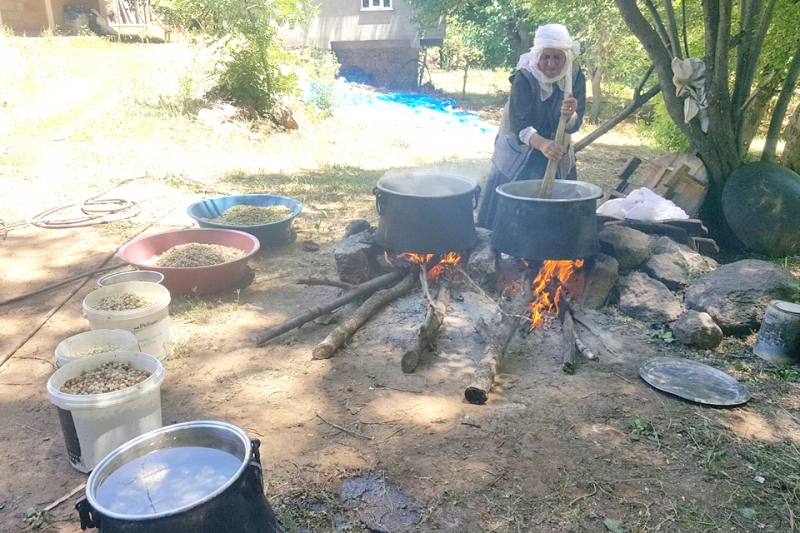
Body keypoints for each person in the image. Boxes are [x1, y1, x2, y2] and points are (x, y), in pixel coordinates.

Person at [477, 23, 586, 229]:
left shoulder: (575, 76)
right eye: (546, 57)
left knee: (559, 214)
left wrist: (571, 115)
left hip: (558, 151)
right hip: (519, 150)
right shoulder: (525, 76)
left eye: (557, 57)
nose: (551, 64)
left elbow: (575, 124)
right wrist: (543, 144)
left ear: (566, 57)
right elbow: (520, 123)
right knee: (511, 208)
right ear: (537, 56)